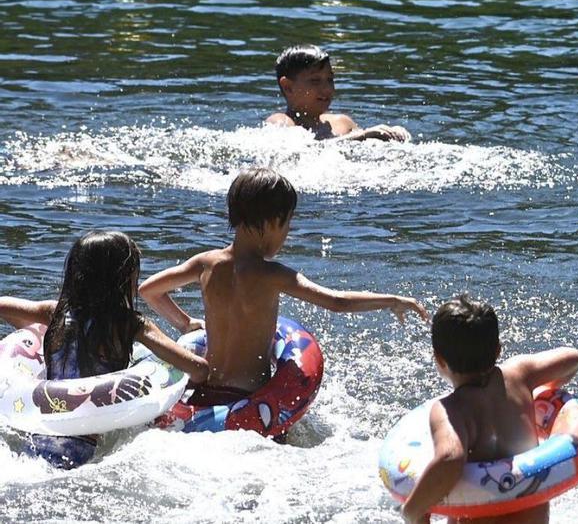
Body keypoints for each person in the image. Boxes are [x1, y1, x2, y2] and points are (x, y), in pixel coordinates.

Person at [138, 168, 428, 408]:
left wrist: (185, 323)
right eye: (287, 224)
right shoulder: (272, 275)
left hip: (204, 395)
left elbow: (149, 291)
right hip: (248, 400)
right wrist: (393, 299)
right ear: (273, 223)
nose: (287, 233)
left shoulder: (205, 263)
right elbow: (337, 302)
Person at [0, 231, 209, 469]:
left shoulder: (53, 313)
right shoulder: (130, 324)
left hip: (36, 439)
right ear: (124, 279)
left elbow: (3, 305)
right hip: (83, 450)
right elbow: (197, 369)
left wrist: (35, 333)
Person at [401, 295, 578, 524]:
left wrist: (412, 511)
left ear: (439, 359)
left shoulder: (451, 409)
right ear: (498, 349)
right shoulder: (520, 374)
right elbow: (572, 358)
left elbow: (449, 459)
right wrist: (538, 395)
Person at [265, 44, 412, 142]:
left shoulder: (343, 123)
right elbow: (300, 153)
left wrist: (391, 135)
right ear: (288, 87)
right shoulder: (281, 122)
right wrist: (362, 136)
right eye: (315, 81)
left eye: (330, 79)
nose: (328, 89)